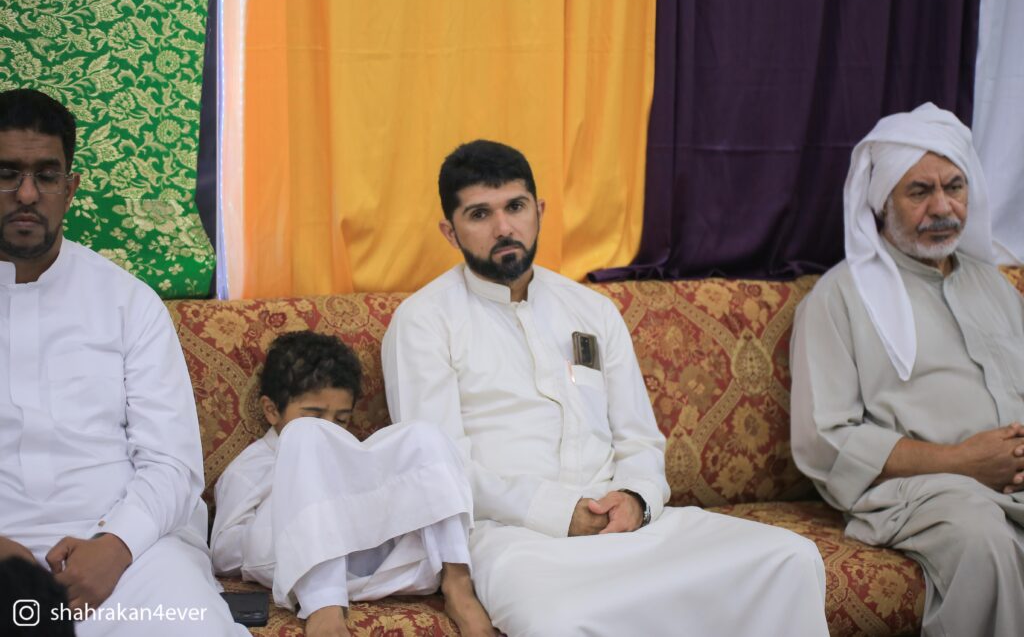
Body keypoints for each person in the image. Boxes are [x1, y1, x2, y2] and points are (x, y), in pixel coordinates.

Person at [382, 139, 829, 636]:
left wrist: (636, 498)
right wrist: (560, 514)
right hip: (513, 538)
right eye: (480, 214)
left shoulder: (591, 310)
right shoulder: (424, 322)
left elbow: (639, 438)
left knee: (790, 558)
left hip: (624, 524)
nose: (504, 227)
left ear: (539, 211)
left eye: (516, 206)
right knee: (559, 621)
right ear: (450, 231)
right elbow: (439, 469)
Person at [0, 88, 244, 635]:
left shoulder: (128, 302)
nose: (27, 194)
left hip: (125, 551)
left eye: (46, 175)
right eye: (7, 173)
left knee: (190, 624)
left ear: (70, 188)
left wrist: (114, 547)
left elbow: (172, 463)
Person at [790, 103, 1024, 637]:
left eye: (954, 187)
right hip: (924, 490)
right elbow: (827, 441)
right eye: (919, 192)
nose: (942, 207)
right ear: (882, 203)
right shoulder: (840, 298)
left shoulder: (993, 285)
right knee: (982, 538)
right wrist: (962, 462)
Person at [210, 330, 494, 637]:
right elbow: (224, 552)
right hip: (294, 565)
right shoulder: (252, 465)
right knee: (307, 437)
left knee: (423, 435)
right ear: (271, 410)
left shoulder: (348, 452)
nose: (330, 429)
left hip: (379, 566)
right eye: (314, 415)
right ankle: (324, 607)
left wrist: (344, 512)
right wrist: (295, 513)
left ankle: (458, 586)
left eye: (341, 420)